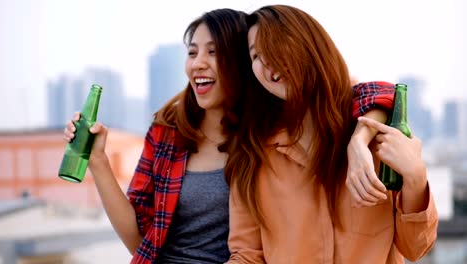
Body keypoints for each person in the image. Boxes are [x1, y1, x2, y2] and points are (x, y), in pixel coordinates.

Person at [64, 7, 395, 264]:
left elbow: (377, 93)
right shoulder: (168, 131)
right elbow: (141, 241)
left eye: (214, 52)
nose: (199, 63)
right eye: (192, 52)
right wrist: (98, 161)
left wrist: (360, 138)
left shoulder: (270, 133)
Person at [225, 5, 438, 264]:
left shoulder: (378, 138)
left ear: (309, 46)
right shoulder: (252, 155)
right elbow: (247, 256)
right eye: (255, 55)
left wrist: (415, 176)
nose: (266, 61)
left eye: (275, 44)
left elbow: (416, 247)